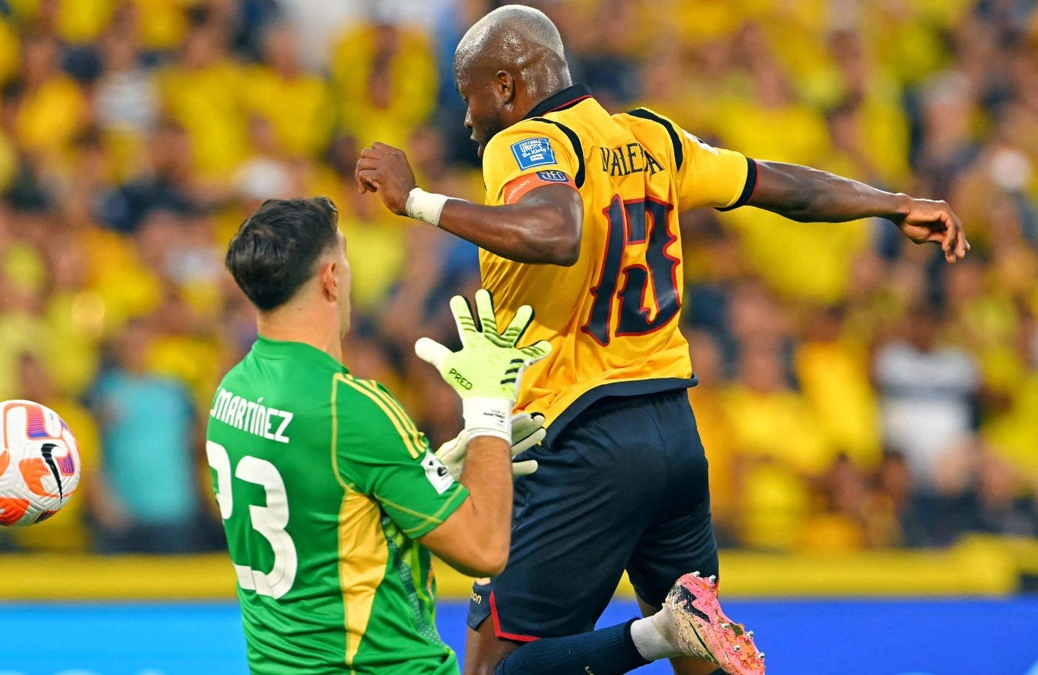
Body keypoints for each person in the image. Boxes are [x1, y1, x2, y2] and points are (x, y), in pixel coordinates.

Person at [354, 6, 970, 675]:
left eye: (469, 96)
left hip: (578, 435)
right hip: (674, 434)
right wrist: (893, 202)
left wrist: (415, 201)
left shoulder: (525, 142)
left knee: (493, 670)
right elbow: (777, 185)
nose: (467, 119)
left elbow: (556, 232)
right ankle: (670, 631)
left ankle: (652, 636)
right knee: (706, 652)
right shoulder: (654, 139)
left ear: (505, 86)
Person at [207, 197, 750, 675]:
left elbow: (325, 512)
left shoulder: (232, 392)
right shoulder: (351, 407)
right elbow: (484, 549)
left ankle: (663, 631)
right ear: (331, 277)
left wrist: (426, 475)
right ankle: (661, 633)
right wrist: (488, 409)